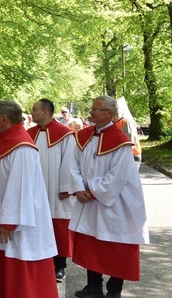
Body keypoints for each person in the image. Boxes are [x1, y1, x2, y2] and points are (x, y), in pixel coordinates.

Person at [68, 96, 148, 298]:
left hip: (116, 203)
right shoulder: (83, 137)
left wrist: (92, 190)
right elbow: (73, 165)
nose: (91, 112)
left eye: (96, 109)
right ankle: (93, 287)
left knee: (116, 246)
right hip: (89, 199)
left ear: (109, 114)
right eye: (92, 108)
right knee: (91, 243)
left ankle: (114, 290)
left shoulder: (121, 143)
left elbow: (117, 177)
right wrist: (78, 188)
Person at [0, 100, 58, 298]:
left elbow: (20, 186)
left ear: (4, 119)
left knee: (20, 270)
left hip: (15, 226)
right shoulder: (7, 141)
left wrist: (9, 221)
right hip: (3, 220)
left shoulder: (21, 147)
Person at [28, 98, 77, 282]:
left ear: (46, 112)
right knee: (35, 222)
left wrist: (66, 186)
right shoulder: (29, 133)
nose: (32, 113)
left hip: (55, 187)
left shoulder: (64, 134)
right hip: (34, 186)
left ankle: (60, 265)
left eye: (35, 110)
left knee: (58, 225)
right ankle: (40, 260)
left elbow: (70, 162)